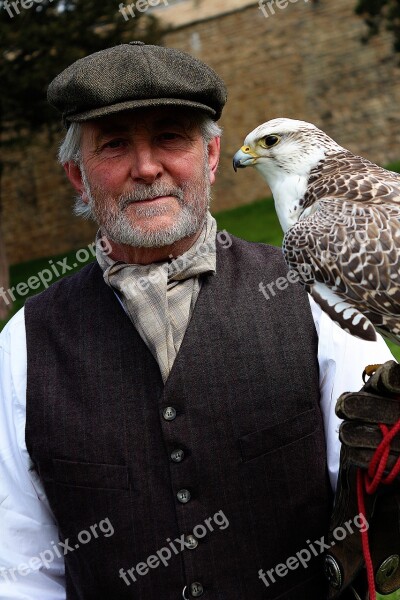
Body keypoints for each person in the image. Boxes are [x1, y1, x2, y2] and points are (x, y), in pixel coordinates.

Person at [0, 42, 394, 600]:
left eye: (170, 137)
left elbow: (372, 497)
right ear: (77, 176)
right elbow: (17, 568)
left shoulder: (315, 294)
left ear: (210, 157)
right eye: (113, 145)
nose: (146, 168)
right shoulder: (22, 347)